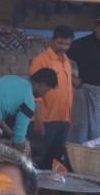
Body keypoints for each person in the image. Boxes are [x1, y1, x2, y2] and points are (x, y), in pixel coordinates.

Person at [28, 26, 77, 168]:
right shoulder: (40, 60)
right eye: (60, 43)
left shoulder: (66, 60)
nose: (64, 47)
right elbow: (34, 92)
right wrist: (37, 120)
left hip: (63, 120)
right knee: (38, 159)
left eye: (67, 44)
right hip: (45, 120)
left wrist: (68, 119)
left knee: (55, 160)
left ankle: (48, 190)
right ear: (52, 41)